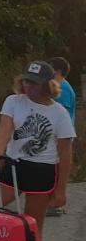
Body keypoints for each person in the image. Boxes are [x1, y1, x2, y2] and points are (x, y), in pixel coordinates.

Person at [0, 60, 76, 233]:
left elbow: (65, 154)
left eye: (34, 83)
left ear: (46, 85)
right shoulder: (13, 101)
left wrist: (61, 190)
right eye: (26, 81)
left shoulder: (59, 113)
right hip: (14, 164)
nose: (28, 86)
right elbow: (5, 128)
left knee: (32, 228)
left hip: (42, 170)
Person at [48, 56, 76, 216]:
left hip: (61, 137)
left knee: (57, 170)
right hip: (59, 136)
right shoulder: (63, 86)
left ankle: (53, 204)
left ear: (57, 71)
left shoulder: (62, 88)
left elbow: (60, 112)